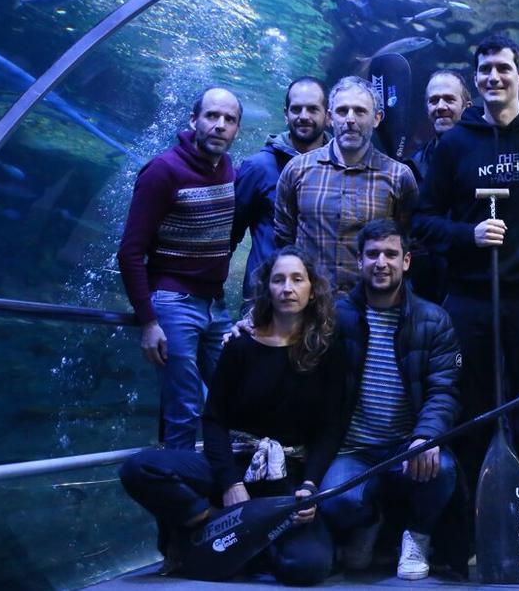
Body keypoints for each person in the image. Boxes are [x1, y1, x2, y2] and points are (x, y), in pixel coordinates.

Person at [415, 33, 519, 577]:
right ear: (476, 80)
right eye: (484, 70)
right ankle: (469, 538)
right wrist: (469, 235)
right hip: (468, 301)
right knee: (469, 417)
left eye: (502, 69)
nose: (493, 78)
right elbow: (421, 220)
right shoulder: (453, 145)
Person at [119, 247, 345, 585]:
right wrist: (229, 482)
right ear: (267, 288)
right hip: (234, 464)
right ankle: (207, 522)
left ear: (312, 289)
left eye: (297, 279)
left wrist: (311, 484)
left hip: (288, 475)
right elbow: (214, 419)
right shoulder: (241, 344)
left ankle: (248, 546)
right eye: (278, 279)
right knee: (139, 468)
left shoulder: (328, 349)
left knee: (306, 568)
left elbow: (332, 427)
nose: (287, 288)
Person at [319, 218, 461, 581]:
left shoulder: (434, 319)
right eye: (372, 255)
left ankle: (417, 537)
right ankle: (370, 523)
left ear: (406, 261)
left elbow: (444, 389)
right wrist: (246, 329)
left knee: (442, 468)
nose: (381, 262)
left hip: (406, 446)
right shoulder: (335, 317)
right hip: (354, 450)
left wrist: (426, 435)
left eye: (390, 254)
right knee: (335, 501)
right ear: (360, 262)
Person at [118, 87, 242, 450]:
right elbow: (129, 252)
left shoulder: (228, 169)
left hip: (214, 306)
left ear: (236, 129)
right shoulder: (162, 172)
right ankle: (178, 499)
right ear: (194, 120)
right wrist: (148, 321)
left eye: (229, 119)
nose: (220, 125)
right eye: (212, 116)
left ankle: (221, 492)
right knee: (184, 410)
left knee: (229, 398)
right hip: (173, 304)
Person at [274, 75, 418, 294]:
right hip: (310, 306)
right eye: (342, 111)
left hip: (370, 307)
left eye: (360, 111)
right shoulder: (297, 170)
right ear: (330, 118)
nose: (350, 119)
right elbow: (285, 238)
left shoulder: (399, 177)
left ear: (377, 118)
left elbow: (408, 242)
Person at [232, 77, 329, 314]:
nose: (303, 116)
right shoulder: (258, 167)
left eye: (313, 109)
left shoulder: (341, 168)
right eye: (296, 109)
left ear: (328, 115)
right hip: (264, 301)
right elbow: (228, 237)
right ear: (286, 114)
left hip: (322, 303)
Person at [405, 69, 472, 303]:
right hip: (426, 287)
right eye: (433, 100)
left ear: (467, 105)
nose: (440, 106)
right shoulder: (412, 165)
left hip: (473, 280)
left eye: (449, 99)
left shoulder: (487, 158)